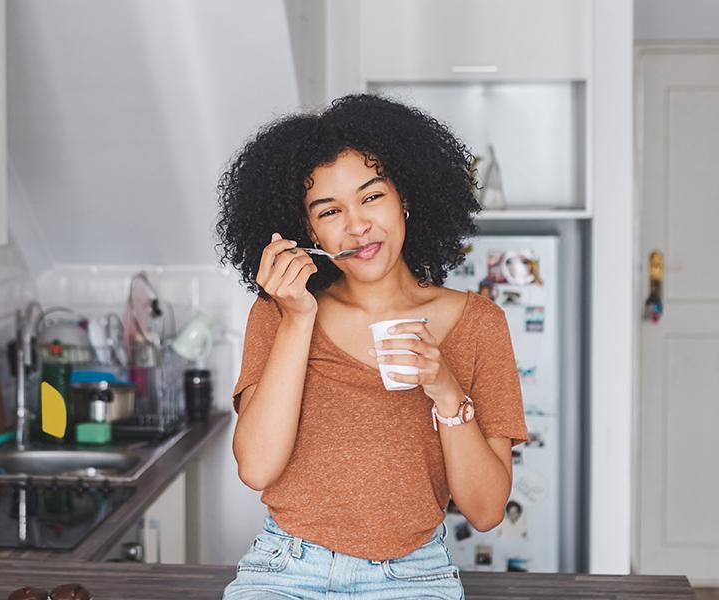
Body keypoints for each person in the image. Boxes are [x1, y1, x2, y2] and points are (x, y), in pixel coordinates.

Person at [216, 94, 529, 600]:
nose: (356, 225)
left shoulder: (479, 324)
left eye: (371, 197)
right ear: (308, 230)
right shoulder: (278, 312)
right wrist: (298, 319)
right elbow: (255, 468)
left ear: (404, 196)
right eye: (329, 210)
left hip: (414, 575)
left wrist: (446, 390)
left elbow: (488, 510)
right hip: (286, 570)